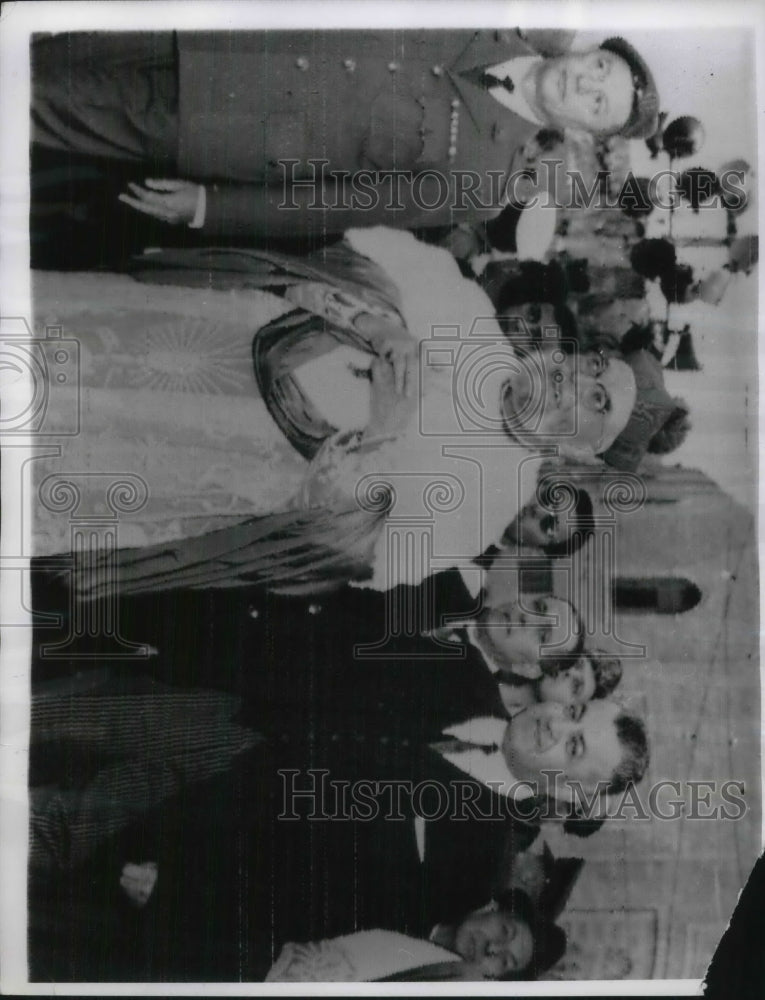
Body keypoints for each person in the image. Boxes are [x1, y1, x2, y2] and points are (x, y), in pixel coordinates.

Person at [32, 227, 639, 598]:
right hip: (197, 333)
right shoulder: (468, 306)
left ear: (580, 452)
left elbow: (341, 553)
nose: (578, 376)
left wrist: (381, 435)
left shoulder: (485, 510)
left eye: (598, 399)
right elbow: (332, 255)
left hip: (218, 454)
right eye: (591, 363)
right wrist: (375, 321)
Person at [31, 30, 660, 250]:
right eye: (601, 67)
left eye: (598, 104)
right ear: (591, 51)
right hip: (212, 31)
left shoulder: (485, 183)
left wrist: (209, 207)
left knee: (35, 100)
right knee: (41, 45)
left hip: (213, 126)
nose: (587, 82)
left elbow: (336, 205)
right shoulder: (484, 18)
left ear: (583, 129)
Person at [266, 889, 566, 981]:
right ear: (491, 907)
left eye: (505, 961)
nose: (492, 949)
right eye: (504, 931)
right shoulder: (411, 889)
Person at [498, 648, 623, 717]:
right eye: (577, 664)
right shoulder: (496, 657)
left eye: (576, 686)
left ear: (570, 708)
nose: (569, 672)